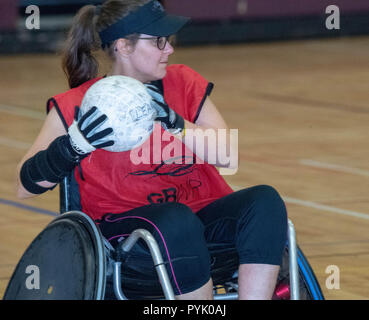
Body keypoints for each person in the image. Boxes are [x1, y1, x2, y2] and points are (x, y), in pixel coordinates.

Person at [15, 0, 287, 300]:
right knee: (176, 219)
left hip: (200, 220)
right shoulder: (75, 105)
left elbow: (227, 156)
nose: (169, 49)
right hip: (128, 239)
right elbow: (25, 187)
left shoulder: (182, 82)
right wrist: (71, 147)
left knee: (265, 201)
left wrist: (176, 123)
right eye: (158, 41)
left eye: (168, 40)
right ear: (123, 46)